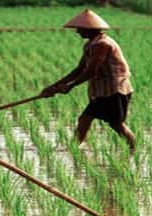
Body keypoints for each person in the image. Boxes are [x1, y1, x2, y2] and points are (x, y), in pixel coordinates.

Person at [41, 9, 136, 152]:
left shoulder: (102, 44)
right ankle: (74, 148)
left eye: (80, 29)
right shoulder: (90, 44)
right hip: (102, 91)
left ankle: (133, 150)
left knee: (116, 124)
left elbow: (91, 71)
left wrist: (70, 86)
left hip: (114, 90)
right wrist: (54, 86)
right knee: (85, 119)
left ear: (90, 29)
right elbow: (79, 69)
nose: (77, 32)